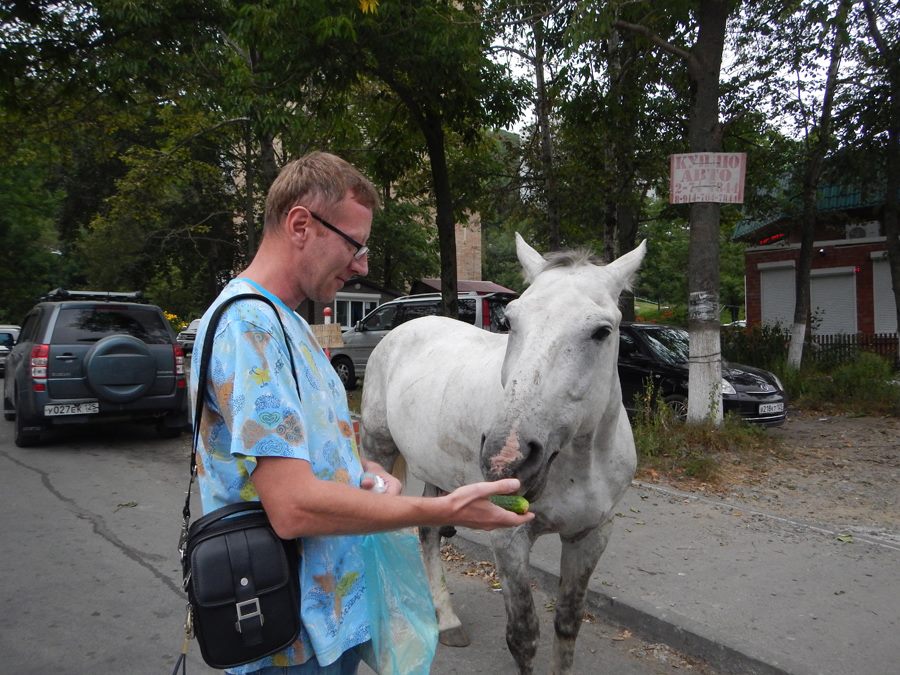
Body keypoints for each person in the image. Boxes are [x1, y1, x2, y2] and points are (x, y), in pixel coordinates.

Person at [190, 151, 534, 675]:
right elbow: (293, 507)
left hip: (327, 623)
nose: (363, 265)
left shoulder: (287, 325)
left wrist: (362, 471)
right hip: (290, 644)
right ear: (301, 224)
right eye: (355, 245)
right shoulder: (251, 328)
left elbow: (306, 454)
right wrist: (446, 511)